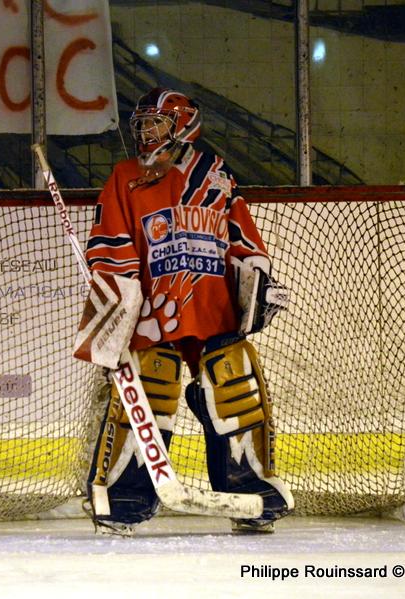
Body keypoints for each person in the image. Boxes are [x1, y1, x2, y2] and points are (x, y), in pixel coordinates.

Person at [72, 87, 294, 537]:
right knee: (152, 380)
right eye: (141, 125)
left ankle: (248, 490)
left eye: (155, 123)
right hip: (156, 307)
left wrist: (256, 278)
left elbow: (240, 236)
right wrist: (116, 320)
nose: (146, 133)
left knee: (233, 380)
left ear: (183, 125)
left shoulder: (214, 173)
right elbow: (112, 244)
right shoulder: (126, 176)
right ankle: (124, 496)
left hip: (210, 304)